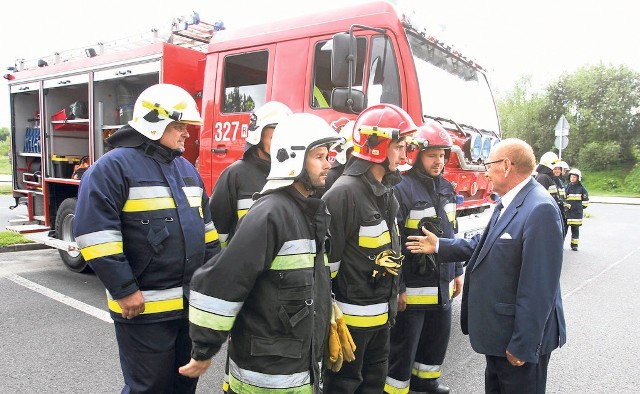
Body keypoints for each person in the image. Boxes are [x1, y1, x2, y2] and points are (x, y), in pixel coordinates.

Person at [178, 113, 342, 393]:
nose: (329, 163)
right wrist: (204, 348)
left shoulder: (307, 211)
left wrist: (325, 310)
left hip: (299, 369)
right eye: (319, 156)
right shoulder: (271, 213)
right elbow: (222, 280)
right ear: (293, 158)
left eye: (328, 155)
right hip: (267, 377)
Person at [74, 83, 221, 394]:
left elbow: (207, 236)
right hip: (142, 310)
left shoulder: (186, 170)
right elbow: (95, 235)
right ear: (155, 122)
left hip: (187, 308)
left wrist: (211, 290)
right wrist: (124, 290)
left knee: (184, 385)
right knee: (149, 388)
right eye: (179, 125)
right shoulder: (111, 168)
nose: (186, 134)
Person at [406, 138, 566, 394]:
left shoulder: (540, 209)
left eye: (488, 164)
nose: (485, 171)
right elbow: (485, 244)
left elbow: (539, 288)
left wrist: (523, 344)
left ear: (505, 165)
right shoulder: (511, 201)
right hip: (500, 337)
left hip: (518, 343)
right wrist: (440, 246)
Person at [322, 103, 417, 393]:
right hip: (350, 323)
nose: (404, 155)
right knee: (344, 387)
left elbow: (391, 249)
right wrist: (327, 317)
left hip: (381, 318)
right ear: (377, 146)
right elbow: (326, 266)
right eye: (399, 146)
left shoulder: (387, 193)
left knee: (374, 386)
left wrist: (397, 288)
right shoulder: (342, 194)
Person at [384, 121, 463, 394]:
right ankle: (396, 390)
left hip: (442, 286)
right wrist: (399, 287)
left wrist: (457, 271)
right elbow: (393, 243)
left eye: (442, 155)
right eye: (432, 155)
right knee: (402, 351)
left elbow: (452, 233)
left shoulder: (447, 188)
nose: (438, 161)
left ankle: (426, 383)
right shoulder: (401, 188)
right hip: (413, 291)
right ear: (417, 155)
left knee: (435, 343)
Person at [209, 101, 292, 248]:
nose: (281, 144)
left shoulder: (293, 174)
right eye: (275, 137)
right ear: (257, 136)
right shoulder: (235, 174)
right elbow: (218, 232)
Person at [535, 151, 567, 236]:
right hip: (547, 216)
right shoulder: (543, 178)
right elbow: (540, 199)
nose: (556, 169)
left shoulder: (549, 177)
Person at [565, 168, 589, 251]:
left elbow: (585, 202)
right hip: (568, 212)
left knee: (575, 230)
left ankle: (574, 245)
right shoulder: (567, 187)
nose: (572, 179)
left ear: (578, 178)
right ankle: (561, 244)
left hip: (576, 213)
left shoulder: (582, 189)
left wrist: (579, 207)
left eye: (574, 177)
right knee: (564, 229)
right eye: (571, 177)